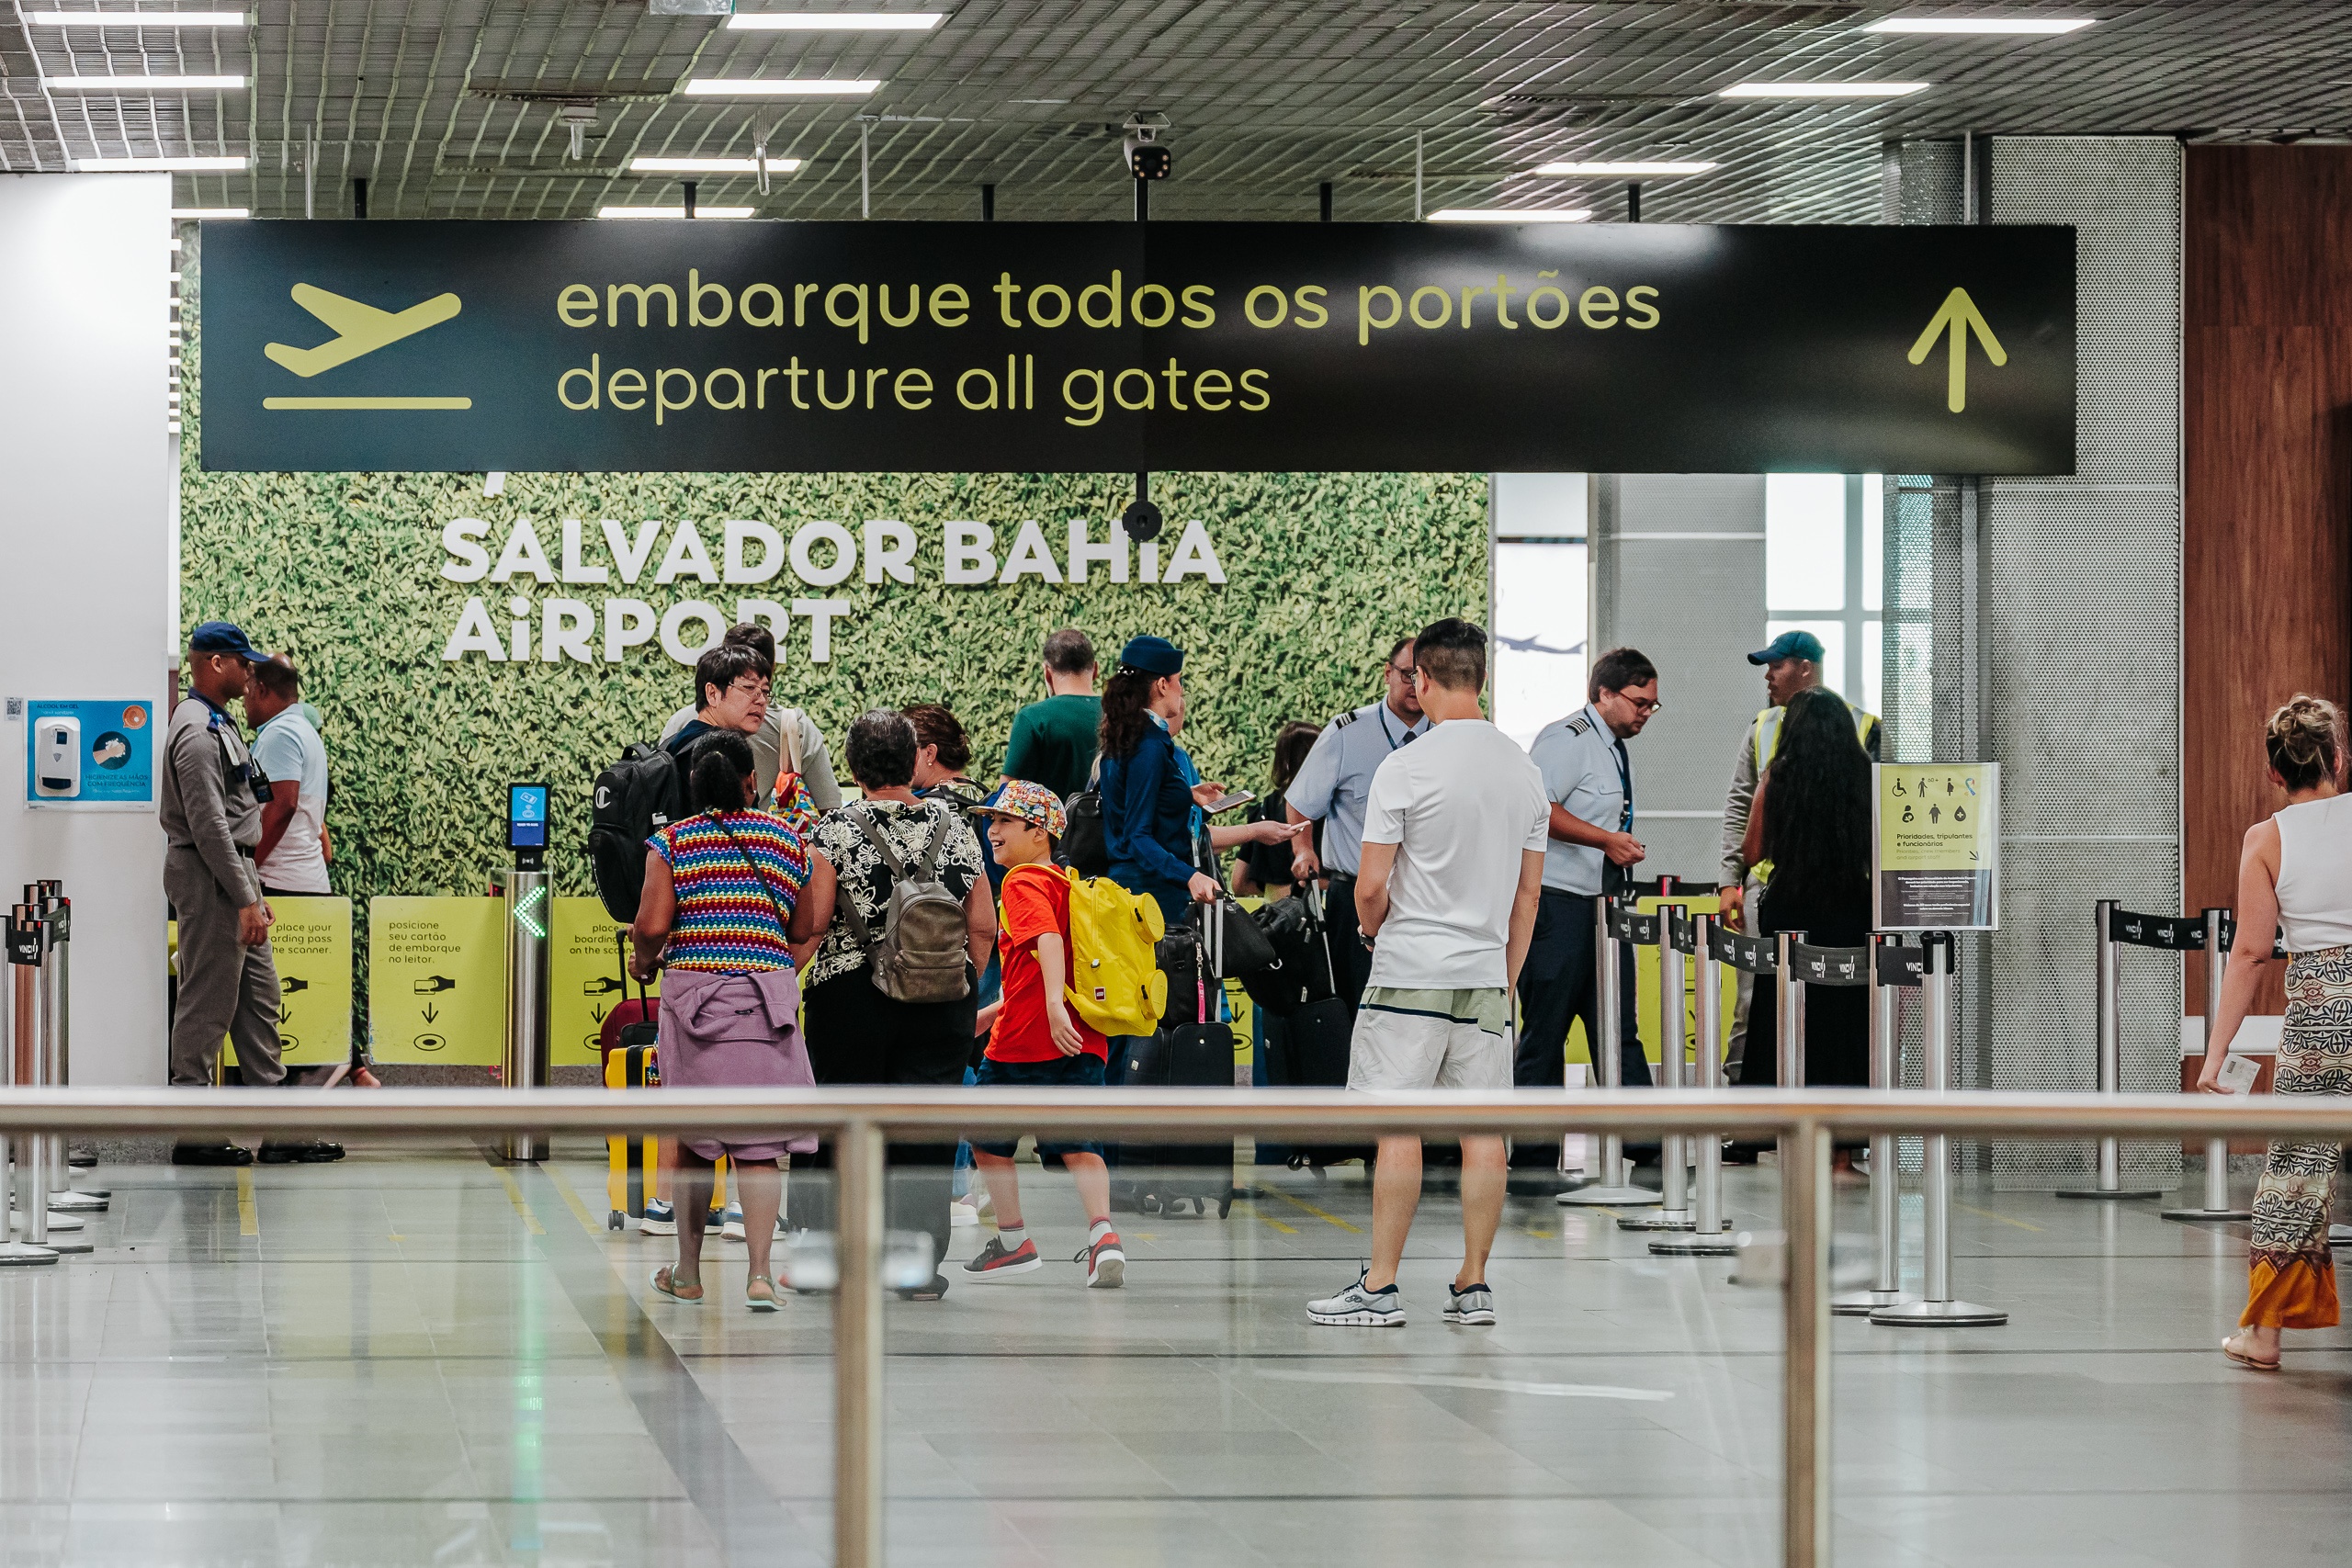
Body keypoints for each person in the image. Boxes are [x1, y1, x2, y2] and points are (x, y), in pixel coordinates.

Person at [1306, 618, 1546, 1329]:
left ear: (1422, 680)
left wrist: (1373, 928)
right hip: (1484, 977)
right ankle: (1474, 1283)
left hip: (1409, 969)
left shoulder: (1405, 766)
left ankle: (1379, 1286)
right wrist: (1503, 977)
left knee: (1399, 1126)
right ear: (1480, 679)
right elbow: (1528, 897)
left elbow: (1371, 885)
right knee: (1483, 1133)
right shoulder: (1524, 770)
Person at [629, 730, 833, 1311]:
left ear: (694, 786)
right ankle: (761, 1275)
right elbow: (804, 925)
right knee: (761, 1143)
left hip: (695, 1002)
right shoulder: (786, 841)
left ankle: (688, 1274)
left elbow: (650, 926)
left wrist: (644, 963)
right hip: (766, 1003)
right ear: (751, 783)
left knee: (696, 1139)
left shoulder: (671, 843)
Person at [797, 709, 996, 1299]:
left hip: (849, 997)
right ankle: (915, 1266)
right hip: (941, 1001)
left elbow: (812, 923)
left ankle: (825, 1260)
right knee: (923, 1135)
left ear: (855, 768)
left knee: (838, 1125)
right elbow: (983, 925)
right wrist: (955, 980)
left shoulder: (834, 831)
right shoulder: (957, 828)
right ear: (914, 761)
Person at [2199, 696, 2352, 1372]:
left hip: (2320, 1009)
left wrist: (2215, 1052)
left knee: (2296, 1167)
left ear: (2273, 774)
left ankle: (2264, 1334)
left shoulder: (2267, 839)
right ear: (2339, 758)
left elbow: (2250, 954)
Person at [160, 622, 341, 1166]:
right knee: (206, 1005)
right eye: (242, 663)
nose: (249, 673)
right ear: (215, 664)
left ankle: (278, 1129)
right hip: (213, 878)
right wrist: (244, 897)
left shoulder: (218, 723)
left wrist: (249, 890)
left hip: (236, 876)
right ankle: (194, 1134)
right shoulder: (194, 731)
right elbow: (210, 826)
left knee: (259, 1002)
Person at [956, 780, 1127, 1289]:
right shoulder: (1068, 881)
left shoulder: (1022, 880)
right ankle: (1104, 1237)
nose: (993, 831)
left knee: (987, 1135)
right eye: (992, 821)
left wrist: (1051, 1006)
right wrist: (994, 1013)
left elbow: (1048, 941)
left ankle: (1013, 1242)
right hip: (1082, 1034)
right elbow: (1038, 966)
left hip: (1028, 1039)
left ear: (1040, 831)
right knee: (1078, 1140)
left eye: (1005, 821)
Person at [1716, 629, 1882, 1074]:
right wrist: (1728, 882)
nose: (1769, 676)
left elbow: (1748, 828)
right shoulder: (1764, 724)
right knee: (1785, 1003)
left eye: (1777, 665)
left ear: (1805, 667)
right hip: (1832, 896)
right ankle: (1839, 1124)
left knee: (1767, 999)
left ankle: (1757, 1116)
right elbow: (1736, 803)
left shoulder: (1866, 726)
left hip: (1783, 893)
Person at [1514, 649, 1660, 1125]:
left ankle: (1646, 1143)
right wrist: (1605, 841)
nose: (1646, 713)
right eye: (1639, 702)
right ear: (1604, 694)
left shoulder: (1612, 747)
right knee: (1545, 1031)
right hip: (1558, 910)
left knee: (1617, 1029)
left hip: (1604, 909)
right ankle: (1535, 1152)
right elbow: (1537, 809)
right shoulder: (1567, 740)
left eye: (1651, 705)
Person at [1096, 635, 1298, 926]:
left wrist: (1187, 795)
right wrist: (1189, 875)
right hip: (1153, 899)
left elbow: (1133, 806)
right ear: (1162, 685)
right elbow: (1137, 836)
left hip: (1136, 894)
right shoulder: (1149, 745)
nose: (1182, 690)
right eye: (1179, 680)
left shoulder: (1125, 739)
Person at [1284, 639, 1429, 1010]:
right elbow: (1300, 802)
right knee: (1359, 1014)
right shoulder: (1347, 733)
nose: (1414, 684)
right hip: (1356, 903)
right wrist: (1303, 850)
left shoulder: (1448, 736)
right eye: (1406, 673)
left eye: (1424, 674)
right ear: (1387, 673)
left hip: (1429, 902)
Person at [659, 623, 842, 813]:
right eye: (748, 688)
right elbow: (829, 804)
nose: (761, 700)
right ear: (712, 692)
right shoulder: (792, 724)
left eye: (764, 691)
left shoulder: (680, 723)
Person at [243, 656, 331, 897]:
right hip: (305, 882)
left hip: (281, 884)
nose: (243, 703)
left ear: (260, 690)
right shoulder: (303, 731)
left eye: (246, 692)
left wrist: (246, 872)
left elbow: (283, 805)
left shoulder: (280, 734)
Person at [1001, 627, 1102, 802]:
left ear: (1047, 672)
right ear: (1095, 669)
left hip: (1052, 829)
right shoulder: (1126, 714)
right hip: (1115, 828)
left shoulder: (1033, 718)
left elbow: (1008, 794)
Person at [1232, 720, 1323, 898]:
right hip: (1323, 912)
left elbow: (1239, 883)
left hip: (1277, 916)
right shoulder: (1327, 809)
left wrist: (1275, 891)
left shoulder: (1266, 808)